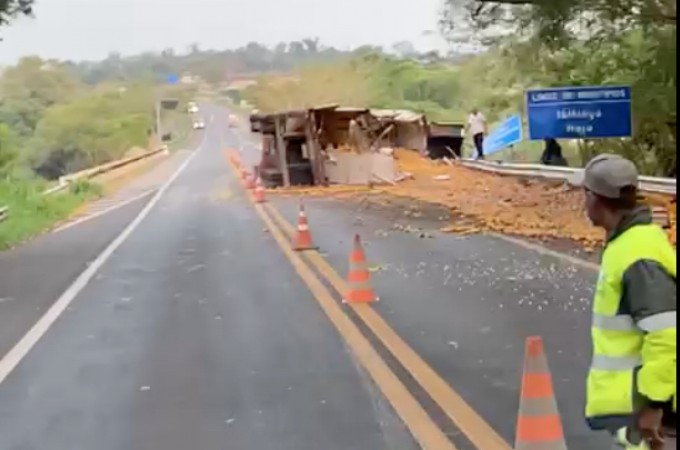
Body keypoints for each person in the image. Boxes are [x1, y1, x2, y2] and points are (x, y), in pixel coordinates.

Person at [575, 154, 677, 450]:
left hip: (641, 405)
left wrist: (654, 405)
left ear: (596, 199)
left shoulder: (637, 253)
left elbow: (666, 333)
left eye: (584, 194)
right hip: (632, 402)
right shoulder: (628, 242)